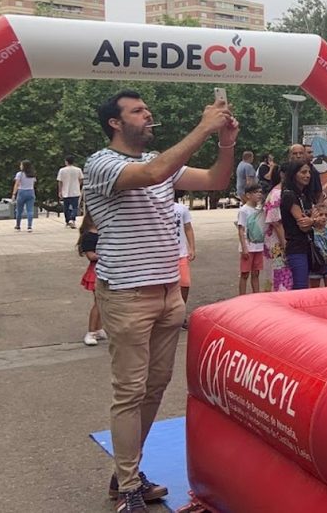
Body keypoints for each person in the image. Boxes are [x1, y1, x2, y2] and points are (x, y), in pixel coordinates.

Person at [83, 88, 237, 511]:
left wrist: (224, 142)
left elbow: (215, 181)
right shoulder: (102, 163)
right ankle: (129, 485)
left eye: (147, 108)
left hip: (168, 291)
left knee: (153, 388)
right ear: (115, 123)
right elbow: (151, 174)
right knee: (130, 391)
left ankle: (126, 475)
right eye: (137, 111)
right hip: (128, 294)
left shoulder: (162, 166)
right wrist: (204, 126)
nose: (147, 114)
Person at [279, 161, 318, 290]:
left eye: (309, 172)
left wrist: (312, 220)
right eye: (303, 172)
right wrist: (313, 220)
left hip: (307, 245)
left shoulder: (304, 196)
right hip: (296, 247)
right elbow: (303, 225)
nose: (307, 175)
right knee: (300, 286)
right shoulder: (289, 195)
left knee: (306, 284)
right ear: (294, 174)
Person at [77, 214, 107, 346]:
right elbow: (91, 256)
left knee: (103, 302)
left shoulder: (101, 231)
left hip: (104, 269)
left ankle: (99, 328)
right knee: (98, 302)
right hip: (96, 271)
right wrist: (107, 254)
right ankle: (91, 331)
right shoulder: (89, 236)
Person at [235, 184, 265, 295]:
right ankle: (242, 296)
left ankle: (256, 295)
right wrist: (244, 248)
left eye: (260, 192)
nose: (259, 194)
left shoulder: (259, 210)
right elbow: (241, 229)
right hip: (248, 246)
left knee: (256, 272)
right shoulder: (244, 210)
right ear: (248, 195)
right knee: (245, 273)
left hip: (259, 246)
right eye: (256, 192)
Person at [173, 195, 196, 329]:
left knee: (185, 284)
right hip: (165, 255)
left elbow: (188, 228)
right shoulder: (156, 207)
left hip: (181, 253)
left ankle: (180, 314)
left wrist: (192, 247)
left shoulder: (181, 208)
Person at [308, 203, 327, 287]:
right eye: (320, 215)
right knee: (315, 289)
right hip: (316, 263)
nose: (324, 217)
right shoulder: (311, 231)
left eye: (326, 215)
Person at [58, 155, 84, 228]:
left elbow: (60, 181)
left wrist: (60, 191)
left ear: (66, 162)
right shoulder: (78, 170)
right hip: (75, 191)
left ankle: (68, 221)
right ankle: (72, 219)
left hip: (65, 191)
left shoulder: (62, 170)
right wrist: (78, 184)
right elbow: (81, 179)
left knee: (66, 208)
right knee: (75, 207)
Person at [11, 160, 36, 232]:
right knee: (30, 210)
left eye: (21, 165)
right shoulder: (32, 174)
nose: (20, 166)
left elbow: (17, 184)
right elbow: (33, 184)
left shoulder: (20, 174)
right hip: (31, 191)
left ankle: (18, 225)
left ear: (24, 166)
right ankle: (29, 226)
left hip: (22, 192)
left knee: (19, 210)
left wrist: (14, 194)